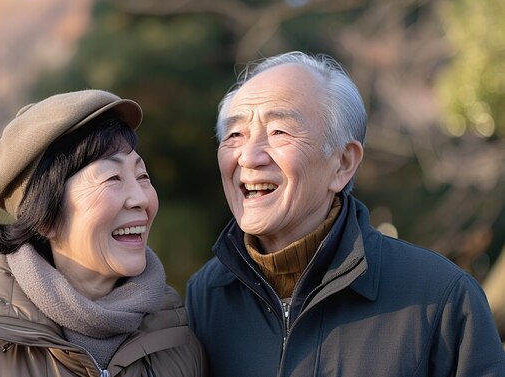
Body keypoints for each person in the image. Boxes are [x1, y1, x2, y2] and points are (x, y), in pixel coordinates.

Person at [186, 51, 505, 377]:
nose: (249, 157)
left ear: (343, 163)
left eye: (279, 131)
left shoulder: (441, 297)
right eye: (235, 135)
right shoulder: (207, 295)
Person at [0, 89, 206, 377]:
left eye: (142, 176)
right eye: (113, 177)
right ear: (45, 216)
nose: (141, 198)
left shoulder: (180, 339)